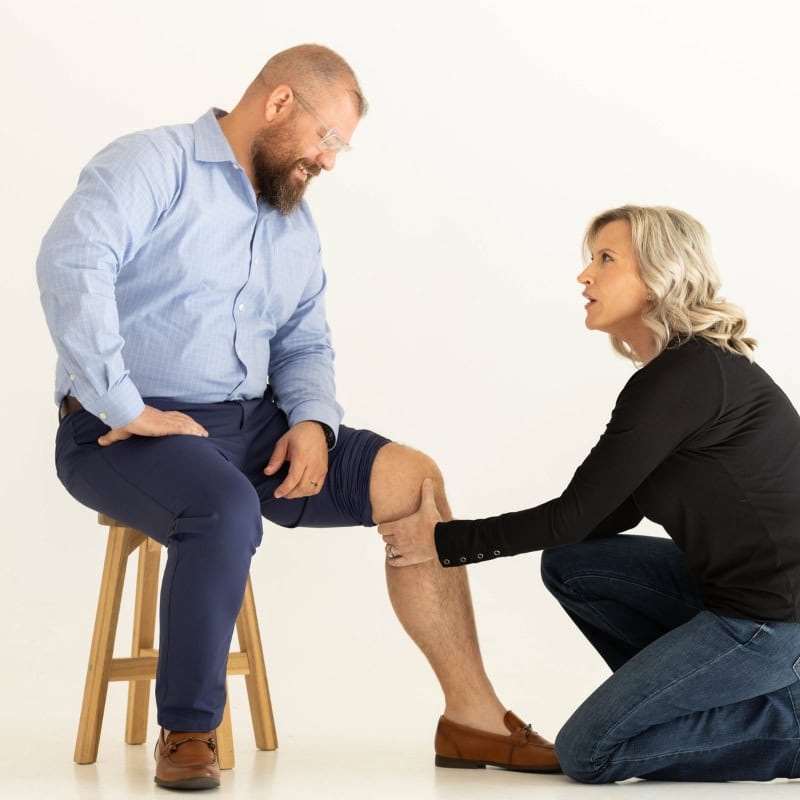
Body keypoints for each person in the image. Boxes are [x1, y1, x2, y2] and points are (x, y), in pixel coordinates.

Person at [36, 44, 559, 791]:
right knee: (223, 506)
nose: (331, 161)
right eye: (329, 140)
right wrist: (123, 402)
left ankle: (471, 718)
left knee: (414, 481)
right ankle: (188, 730)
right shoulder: (151, 164)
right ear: (280, 103)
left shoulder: (291, 222)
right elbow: (71, 263)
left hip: (255, 428)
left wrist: (312, 421)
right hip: (122, 430)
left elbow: (305, 339)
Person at [380, 205, 800, 783]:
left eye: (606, 260)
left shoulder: (686, 377)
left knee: (588, 754)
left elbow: (571, 514)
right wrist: (478, 538)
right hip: (726, 597)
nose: (585, 276)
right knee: (576, 565)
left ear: (658, 276)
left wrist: (444, 541)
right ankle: (698, 708)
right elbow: (591, 521)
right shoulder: (676, 376)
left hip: (774, 625)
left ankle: (790, 730)